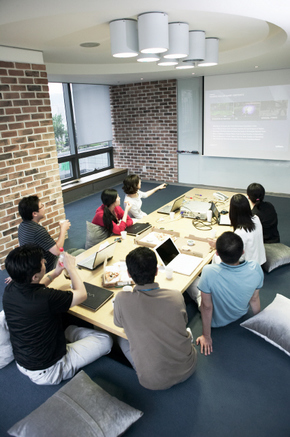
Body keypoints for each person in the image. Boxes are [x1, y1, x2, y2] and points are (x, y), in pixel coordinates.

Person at [3, 244, 112, 385]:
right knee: (106, 339)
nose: (45, 263)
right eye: (42, 263)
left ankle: (68, 336)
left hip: (24, 360)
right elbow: (82, 295)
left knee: (68, 324)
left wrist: (56, 272)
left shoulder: (10, 289)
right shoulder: (46, 298)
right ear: (35, 276)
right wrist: (71, 268)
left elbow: (36, 285)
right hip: (49, 370)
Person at [114, 246, 197, 390]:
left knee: (121, 338)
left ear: (128, 274)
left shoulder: (121, 299)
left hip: (153, 382)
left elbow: (118, 323)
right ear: (157, 271)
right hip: (189, 368)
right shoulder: (176, 296)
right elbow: (182, 322)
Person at [193, 232, 264, 356]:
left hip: (215, 322)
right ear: (242, 252)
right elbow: (254, 298)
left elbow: (206, 306)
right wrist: (260, 321)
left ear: (217, 253)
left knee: (192, 280)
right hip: (240, 313)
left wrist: (206, 336)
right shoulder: (255, 268)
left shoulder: (209, 272)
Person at [18, 195, 71, 272]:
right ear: (35, 214)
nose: (44, 208)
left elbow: (20, 247)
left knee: (74, 251)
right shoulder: (37, 231)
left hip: (34, 266)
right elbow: (57, 251)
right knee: (80, 254)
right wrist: (63, 229)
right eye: (41, 206)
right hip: (49, 266)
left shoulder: (22, 226)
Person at [229, 193, 266, 265]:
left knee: (217, 257)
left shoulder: (240, 233)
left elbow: (239, 257)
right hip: (260, 260)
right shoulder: (256, 218)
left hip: (249, 266)